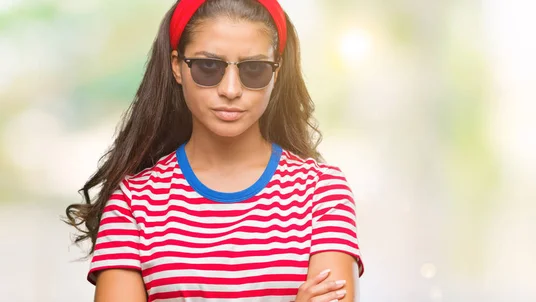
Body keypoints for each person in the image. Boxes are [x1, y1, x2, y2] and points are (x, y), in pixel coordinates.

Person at [64, 0, 364, 301]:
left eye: (254, 69)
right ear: (177, 65)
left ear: (277, 71)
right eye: (209, 66)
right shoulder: (133, 203)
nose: (231, 90)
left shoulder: (321, 194)